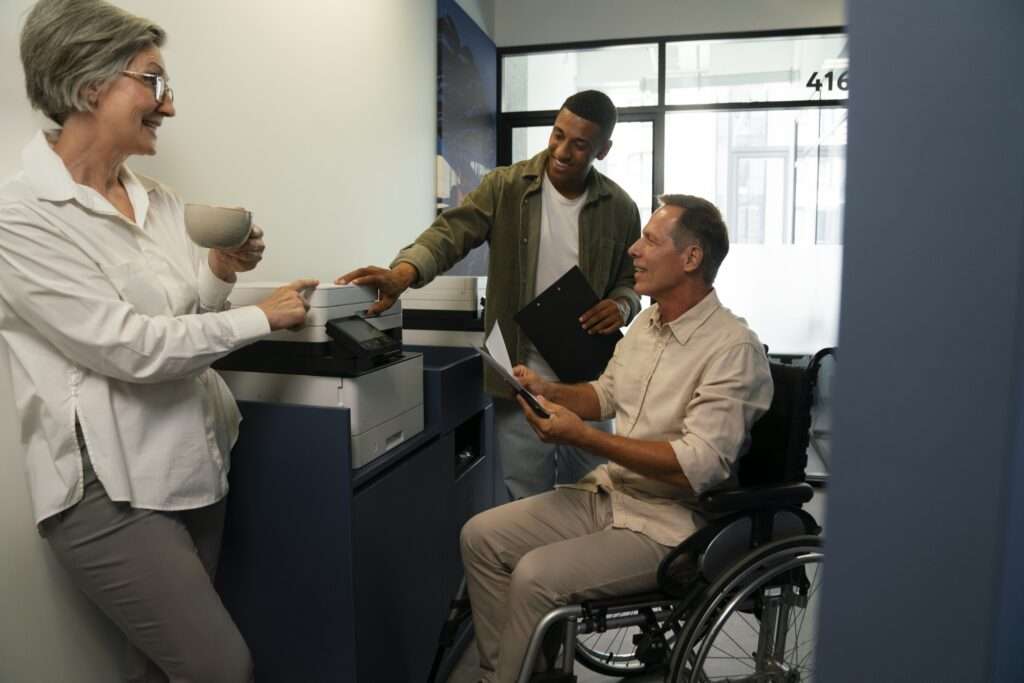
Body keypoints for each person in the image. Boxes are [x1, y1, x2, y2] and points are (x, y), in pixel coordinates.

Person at [0, 1, 317, 680]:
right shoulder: (18, 217)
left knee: (159, 668)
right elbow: (129, 347)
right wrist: (263, 315)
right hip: (106, 488)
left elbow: (181, 314)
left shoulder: (161, 200)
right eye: (152, 83)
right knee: (221, 666)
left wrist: (220, 271)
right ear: (90, 85)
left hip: (190, 462)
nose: (166, 107)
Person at [458, 195, 774, 682]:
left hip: (668, 523)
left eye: (650, 240)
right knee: (480, 536)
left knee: (534, 577)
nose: (633, 250)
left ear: (691, 259)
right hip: (611, 495)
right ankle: (516, 673)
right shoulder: (647, 324)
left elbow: (699, 464)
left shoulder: (732, 349)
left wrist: (585, 439)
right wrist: (546, 389)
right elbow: (605, 394)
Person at [339, 90, 641, 499]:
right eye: (557, 135)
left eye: (579, 144)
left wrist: (622, 304)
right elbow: (449, 234)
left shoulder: (620, 208)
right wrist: (402, 274)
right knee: (527, 499)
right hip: (520, 376)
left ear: (603, 150)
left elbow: (630, 280)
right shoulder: (506, 187)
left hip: (588, 381)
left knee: (594, 494)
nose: (562, 151)